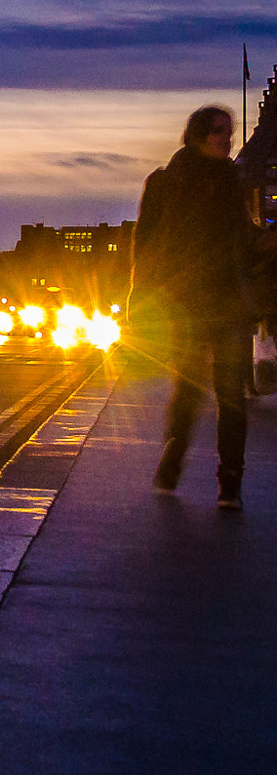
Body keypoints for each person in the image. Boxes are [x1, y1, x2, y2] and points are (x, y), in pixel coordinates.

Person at [132, 105, 267, 510]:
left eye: (230, 132)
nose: (228, 139)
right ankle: (174, 454)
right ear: (196, 136)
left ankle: (230, 483)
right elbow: (146, 245)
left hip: (227, 303)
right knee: (188, 390)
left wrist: (266, 243)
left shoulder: (232, 181)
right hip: (186, 303)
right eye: (219, 132)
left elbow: (243, 237)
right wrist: (139, 299)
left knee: (231, 395)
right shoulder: (165, 183)